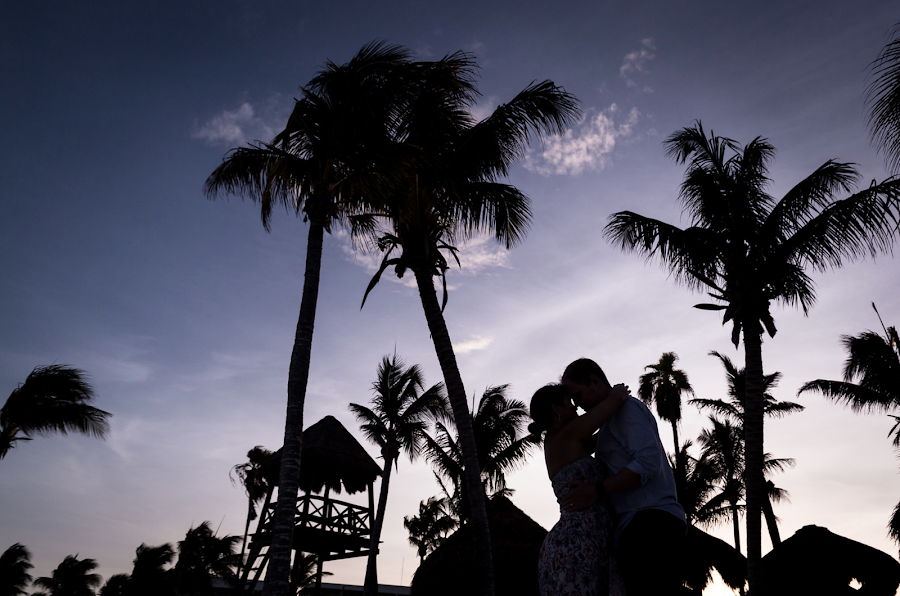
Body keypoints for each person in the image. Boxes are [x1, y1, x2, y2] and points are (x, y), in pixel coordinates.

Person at [560, 358, 687, 596]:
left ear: (594, 381)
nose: (577, 404)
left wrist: (596, 490)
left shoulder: (627, 410)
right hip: (639, 527)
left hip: (650, 525)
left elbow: (648, 463)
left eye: (577, 395)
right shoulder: (610, 421)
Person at [529, 382, 629, 596]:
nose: (576, 407)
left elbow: (607, 434)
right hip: (577, 544)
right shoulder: (565, 436)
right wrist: (618, 390)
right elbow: (614, 402)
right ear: (557, 409)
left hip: (588, 541)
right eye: (570, 403)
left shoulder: (569, 442)